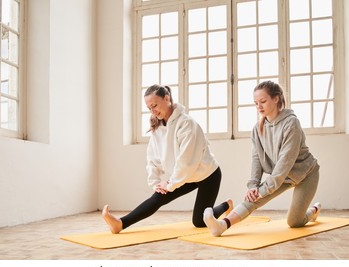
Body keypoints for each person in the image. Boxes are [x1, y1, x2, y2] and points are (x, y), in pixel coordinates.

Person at [102, 84, 232, 234]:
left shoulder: (186, 124)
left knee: (198, 221)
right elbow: (152, 157)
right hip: (185, 176)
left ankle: (226, 206)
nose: (152, 111)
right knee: (158, 197)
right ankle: (120, 224)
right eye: (149, 108)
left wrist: (170, 184)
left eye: (155, 105)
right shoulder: (157, 127)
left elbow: (187, 161)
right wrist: (156, 182)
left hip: (207, 175)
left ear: (167, 98)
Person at [203, 80, 321, 237]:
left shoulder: (291, 123)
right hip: (282, 177)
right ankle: (222, 226)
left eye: (263, 101)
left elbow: (285, 162)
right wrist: (253, 186)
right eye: (256, 103)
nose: (259, 106)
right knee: (253, 197)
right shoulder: (257, 128)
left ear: (276, 99)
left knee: (294, 222)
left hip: (306, 174)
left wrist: (263, 190)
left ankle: (313, 211)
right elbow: (256, 158)